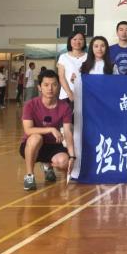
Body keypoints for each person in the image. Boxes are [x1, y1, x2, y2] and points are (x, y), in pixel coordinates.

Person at [20, 69, 75, 191]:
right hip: (32, 145)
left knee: (64, 162)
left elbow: (67, 132)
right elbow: (28, 130)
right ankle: (29, 175)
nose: (50, 88)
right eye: (46, 85)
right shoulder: (30, 105)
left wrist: (72, 156)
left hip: (53, 145)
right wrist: (51, 129)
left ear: (58, 86)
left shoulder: (64, 107)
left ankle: (47, 165)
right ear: (39, 87)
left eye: (54, 84)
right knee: (36, 138)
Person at [74, 36, 115, 179]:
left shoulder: (112, 66)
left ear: (106, 48)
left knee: (106, 136)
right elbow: (79, 87)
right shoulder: (84, 66)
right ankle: (87, 168)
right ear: (91, 48)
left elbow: (117, 88)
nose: (99, 49)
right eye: (96, 46)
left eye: (102, 46)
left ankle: (106, 165)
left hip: (106, 109)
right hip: (88, 109)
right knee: (89, 137)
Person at [57, 32, 87, 104]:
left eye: (80, 39)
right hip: (66, 95)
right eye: (74, 39)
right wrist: (70, 93)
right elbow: (61, 77)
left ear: (84, 41)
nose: (77, 42)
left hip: (85, 95)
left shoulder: (88, 57)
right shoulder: (63, 57)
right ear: (70, 41)